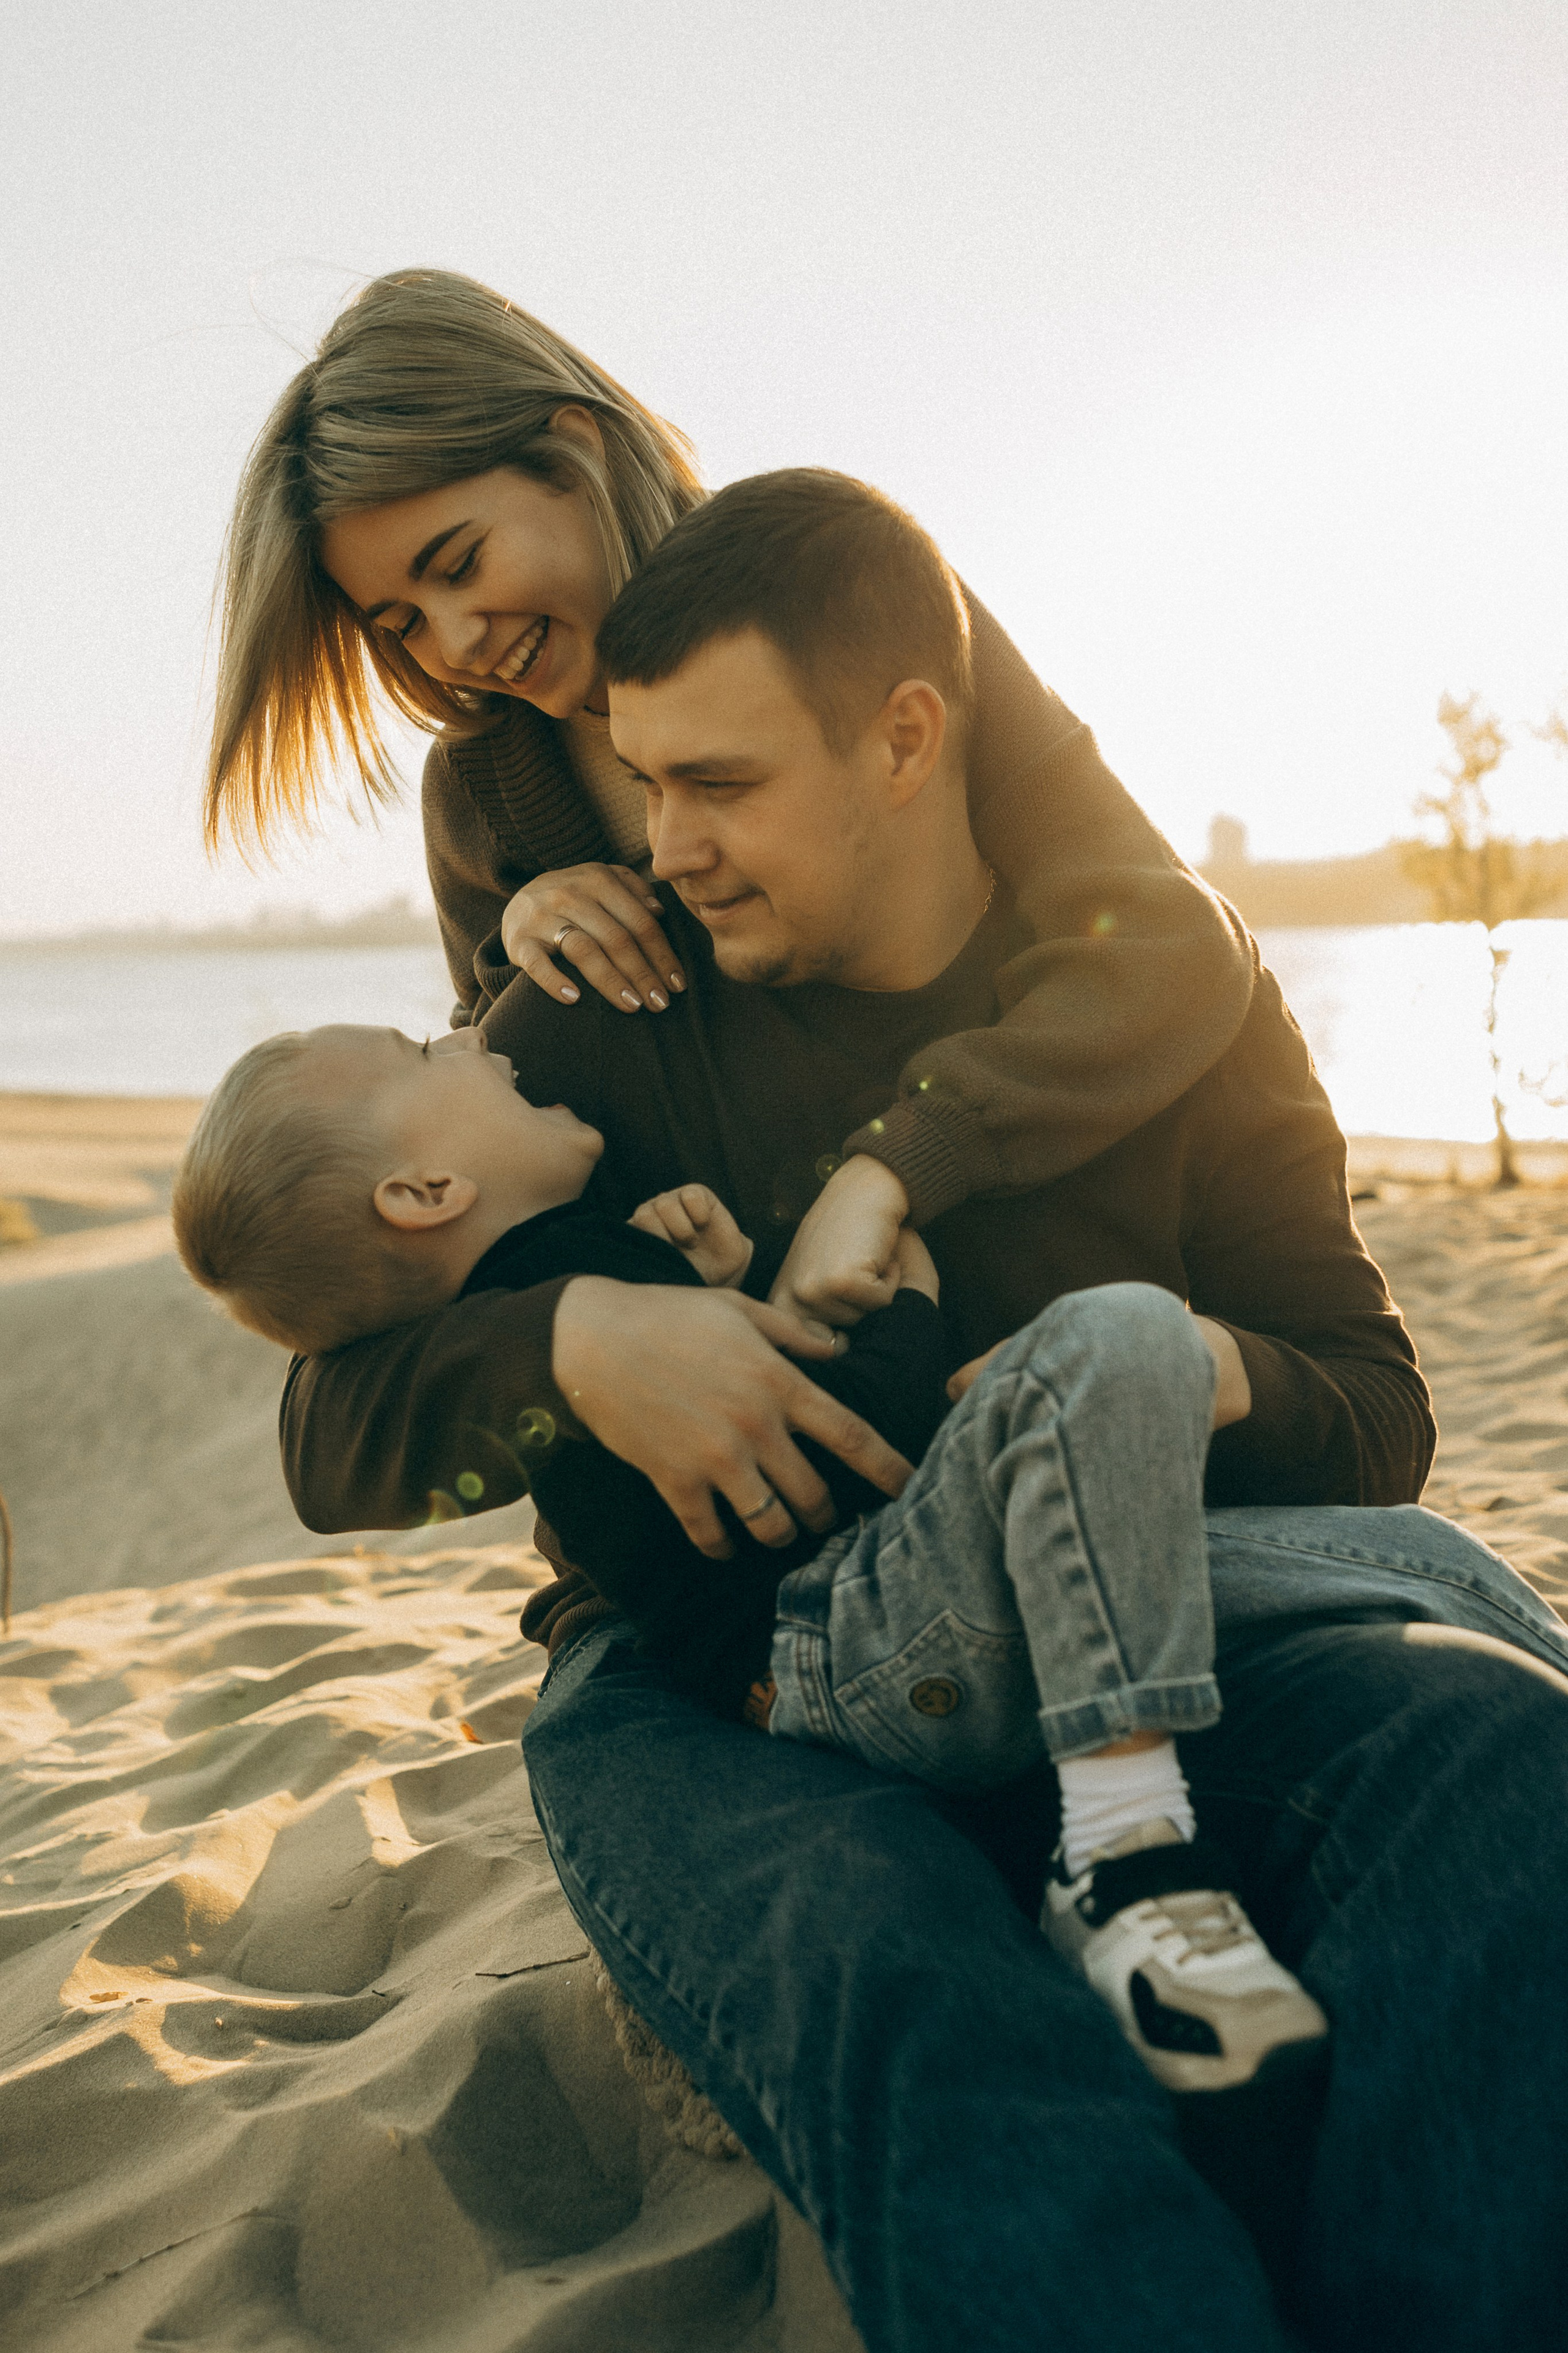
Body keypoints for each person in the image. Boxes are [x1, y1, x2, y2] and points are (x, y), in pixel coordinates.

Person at [276, 472, 1568, 2353]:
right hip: (716, 1690)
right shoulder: (599, 1013)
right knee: (907, 1976)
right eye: (642, 786)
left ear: (902, 740)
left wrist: (1166, 1376)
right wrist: (569, 1347)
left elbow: (1371, 1419)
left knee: (1498, 1758)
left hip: (1131, 1615)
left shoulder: (1169, 1009)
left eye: (719, 786)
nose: (668, 849)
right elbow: (333, 1429)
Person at [172, 994, 1329, 2097]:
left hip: (831, 1651)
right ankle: (1127, 1849)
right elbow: (850, 1455)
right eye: (426, 1052)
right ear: (426, 1188)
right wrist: (906, 1309)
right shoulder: (575, 1301)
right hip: (847, 1644)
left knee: (1175, 1388)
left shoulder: (575, 1280)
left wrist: (710, 1279)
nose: (473, 1036)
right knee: (1121, 1334)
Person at [206, 266, 1256, 1336]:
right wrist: (506, 967)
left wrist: (896, 1163)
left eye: (462, 564)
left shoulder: (848, 604)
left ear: (576, 453)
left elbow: (1157, 935)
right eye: (403, 624)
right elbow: (489, 1179)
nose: (458, 643)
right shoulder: (478, 791)